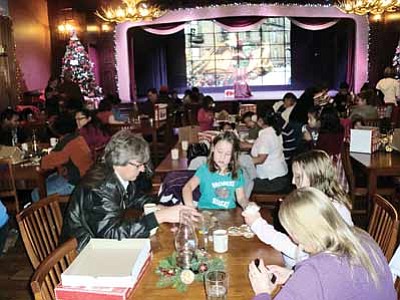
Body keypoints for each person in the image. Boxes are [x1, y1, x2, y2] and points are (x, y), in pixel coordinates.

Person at [61, 130, 199, 251]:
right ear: (118, 162)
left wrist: (162, 207)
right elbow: (111, 235)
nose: (143, 169)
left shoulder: (118, 174)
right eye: (138, 165)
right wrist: (159, 217)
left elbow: (135, 197)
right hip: (84, 252)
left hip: (102, 244)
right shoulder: (99, 189)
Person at [248, 187, 395, 300]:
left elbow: (323, 276)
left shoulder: (314, 272)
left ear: (295, 234)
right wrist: (294, 276)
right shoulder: (363, 237)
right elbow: (343, 284)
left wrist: (262, 291)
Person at [243, 150, 353, 267]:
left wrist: (258, 225)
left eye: (298, 177)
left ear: (316, 177)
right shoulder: (322, 201)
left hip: (305, 269)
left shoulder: (326, 210)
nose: (293, 181)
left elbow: (299, 253)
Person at [32, 115, 93, 202]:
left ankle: (50, 214)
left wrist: (42, 158)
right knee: (47, 180)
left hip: (75, 183)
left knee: (36, 193)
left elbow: (46, 163)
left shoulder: (66, 143)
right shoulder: (78, 138)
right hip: (86, 179)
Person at [182, 131, 249, 210]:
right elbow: (187, 187)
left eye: (227, 154)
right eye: (219, 152)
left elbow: (241, 198)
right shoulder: (204, 170)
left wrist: (247, 206)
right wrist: (190, 207)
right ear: (213, 148)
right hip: (206, 211)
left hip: (229, 213)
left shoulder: (236, 173)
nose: (222, 157)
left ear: (233, 156)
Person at [250, 108, 289, 193]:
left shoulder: (266, 136)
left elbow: (261, 159)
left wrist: (242, 161)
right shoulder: (274, 131)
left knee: (241, 184)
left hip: (272, 181)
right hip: (280, 176)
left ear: (260, 120)